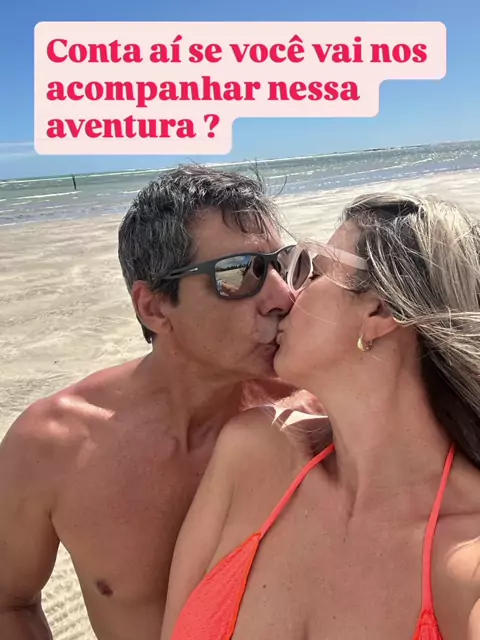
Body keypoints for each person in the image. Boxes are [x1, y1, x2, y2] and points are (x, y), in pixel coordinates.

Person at [0, 165, 324, 640]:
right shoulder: (55, 445)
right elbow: (9, 601)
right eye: (239, 274)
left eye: (282, 264)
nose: (283, 294)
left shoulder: (309, 414)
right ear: (153, 307)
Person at [161, 193, 480, 640]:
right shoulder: (252, 450)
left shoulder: (467, 560)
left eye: (312, 271)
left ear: (381, 310)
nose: (286, 295)